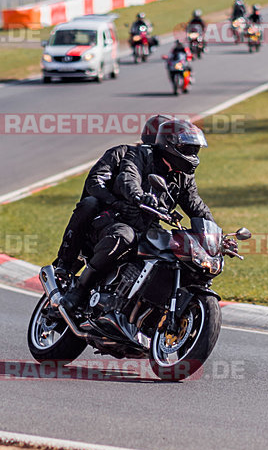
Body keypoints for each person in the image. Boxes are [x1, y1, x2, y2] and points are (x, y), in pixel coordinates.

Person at [61, 119, 214, 312]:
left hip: (148, 226)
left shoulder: (183, 176)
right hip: (118, 218)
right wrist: (138, 197)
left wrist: (217, 236)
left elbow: (196, 205)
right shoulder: (137, 154)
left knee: (174, 251)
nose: (192, 155)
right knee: (122, 236)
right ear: (166, 142)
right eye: (188, 149)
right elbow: (128, 178)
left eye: (195, 150)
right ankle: (80, 289)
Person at [53, 114, 174, 280]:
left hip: (139, 224)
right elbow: (95, 181)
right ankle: (65, 262)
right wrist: (115, 202)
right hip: (106, 216)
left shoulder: (168, 170)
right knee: (89, 203)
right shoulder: (120, 153)